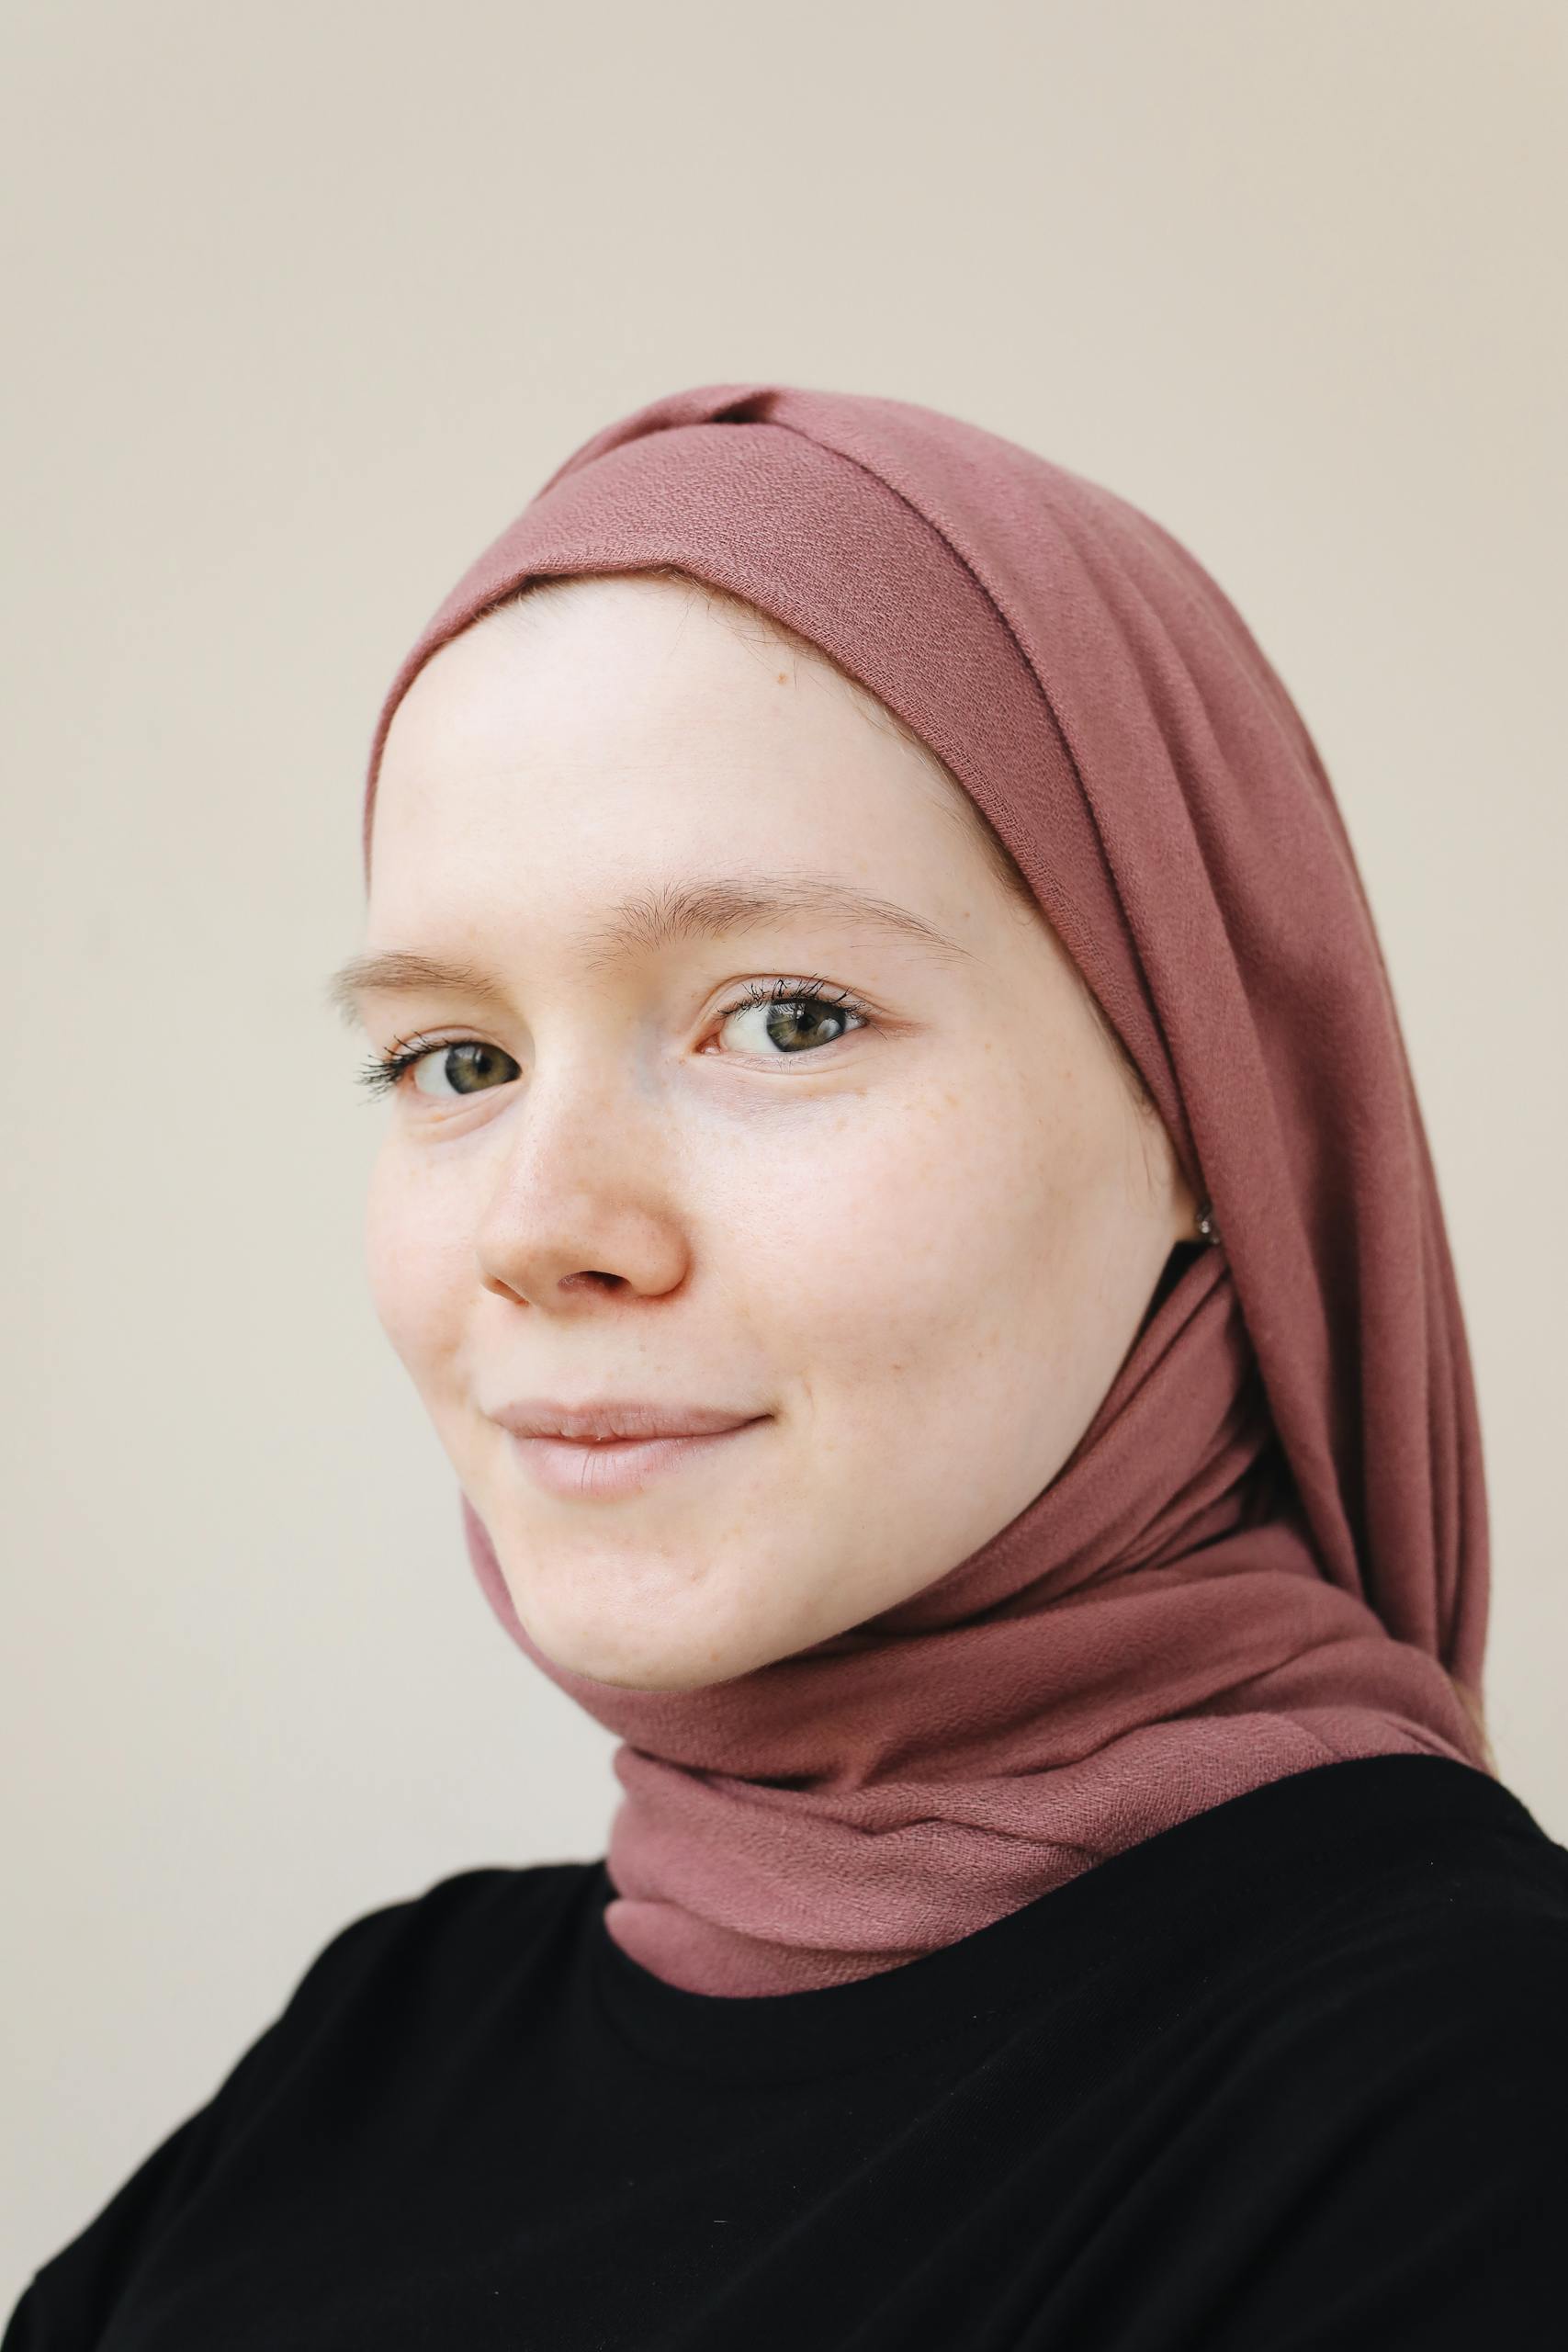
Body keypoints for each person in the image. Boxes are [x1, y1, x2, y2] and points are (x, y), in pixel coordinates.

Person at [6, 381, 1563, 2348]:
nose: (540, 1221)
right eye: (455, 1059)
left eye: (787, 1016)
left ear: (1203, 1112)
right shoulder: (382, 2028)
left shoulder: (1457, 2104)